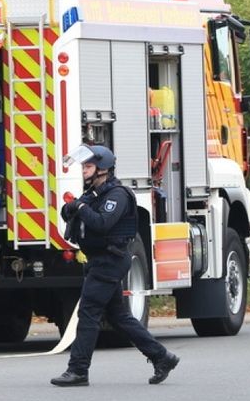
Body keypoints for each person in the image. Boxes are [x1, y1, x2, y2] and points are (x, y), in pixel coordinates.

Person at [51, 144, 179, 387]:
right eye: (83, 165)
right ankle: (162, 357)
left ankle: (78, 370)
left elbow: (102, 224)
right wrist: (73, 207)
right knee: (119, 316)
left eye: (88, 166)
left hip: (110, 261)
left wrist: (80, 208)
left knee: (88, 313)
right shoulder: (94, 192)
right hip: (100, 260)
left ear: (103, 169)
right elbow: (71, 213)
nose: (84, 170)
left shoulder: (117, 195)